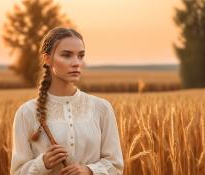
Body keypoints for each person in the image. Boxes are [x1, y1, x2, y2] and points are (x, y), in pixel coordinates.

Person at [10, 27, 124, 175]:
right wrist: (42, 163)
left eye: (81, 56)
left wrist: (89, 171)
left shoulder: (101, 108)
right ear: (47, 59)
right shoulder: (27, 112)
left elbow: (116, 166)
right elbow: (17, 172)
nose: (76, 63)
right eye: (67, 55)